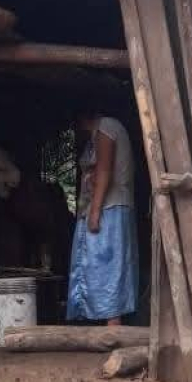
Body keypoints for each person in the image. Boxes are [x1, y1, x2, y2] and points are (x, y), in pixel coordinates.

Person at [67, 113, 138, 325]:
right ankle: (107, 324)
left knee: (106, 267)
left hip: (109, 209)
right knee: (103, 267)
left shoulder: (106, 127)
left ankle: (112, 326)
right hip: (109, 207)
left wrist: (95, 211)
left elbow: (104, 169)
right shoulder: (100, 132)